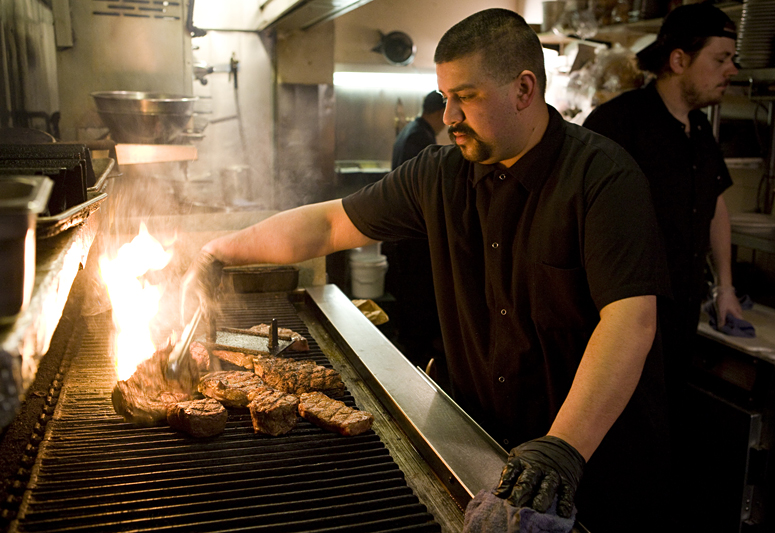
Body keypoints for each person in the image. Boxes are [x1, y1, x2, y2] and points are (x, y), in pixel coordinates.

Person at [182, 8, 672, 531]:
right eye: (445, 98)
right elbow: (327, 226)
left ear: (524, 89)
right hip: (479, 446)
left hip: (586, 462)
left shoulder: (604, 179)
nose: (450, 117)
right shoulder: (438, 176)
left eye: (467, 96)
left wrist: (563, 448)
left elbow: (629, 322)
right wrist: (217, 251)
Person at [583, 2, 743, 423]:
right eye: (721, 58)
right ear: (678, 60)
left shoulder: (701, 129)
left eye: (733, 59)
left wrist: (725, 288)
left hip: (680, 324)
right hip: (619, 327)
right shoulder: (617, 122)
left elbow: (715, 207)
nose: (732, 70)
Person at [384, 91, 446, 378]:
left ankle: (413, 360)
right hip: (410, 237)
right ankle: (414, 370)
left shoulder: (412, 130)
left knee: (411, 301)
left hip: (404, 235)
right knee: (415, 304)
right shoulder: (419, 137)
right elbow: (421, 194)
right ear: (439, 112)